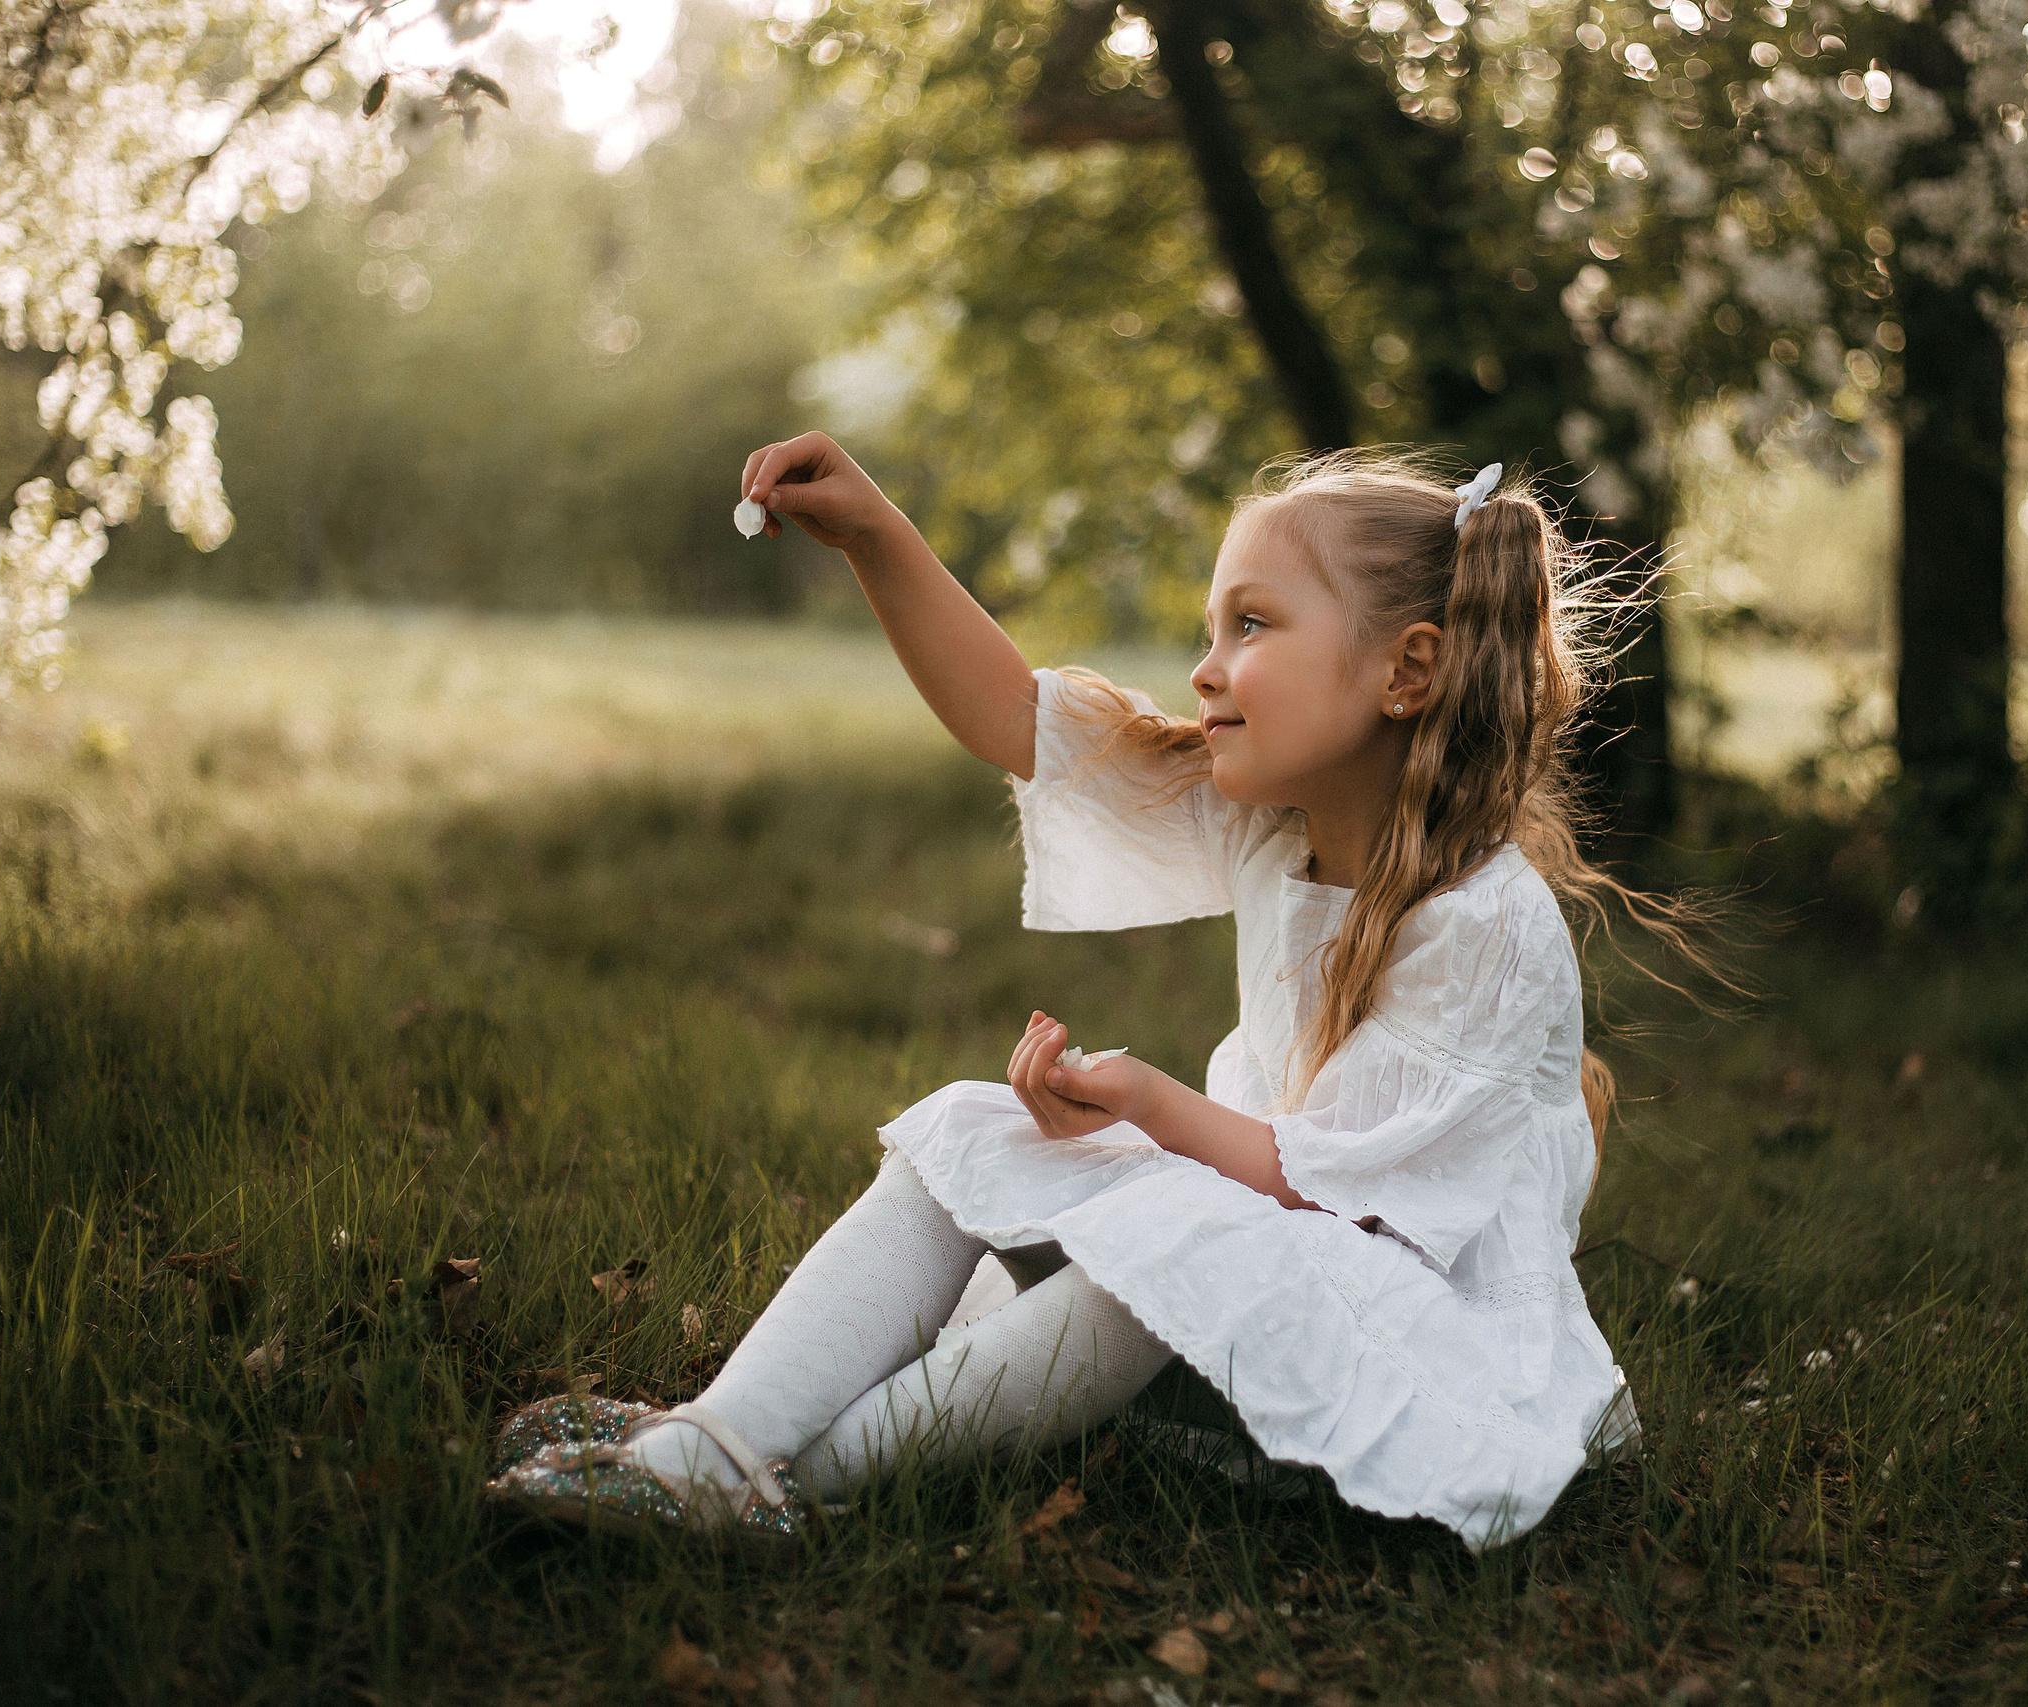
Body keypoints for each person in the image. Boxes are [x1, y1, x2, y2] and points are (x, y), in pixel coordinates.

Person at [486, 432, 1687, 1555]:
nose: (1206, 668)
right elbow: (1021, 719)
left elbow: (1341, 1197)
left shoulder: (1486, 926)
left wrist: (1147, 1105)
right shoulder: (1275, 825)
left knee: (1176, 1231)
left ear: (1406, 670)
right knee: (971, 1126)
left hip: (1403, 1348)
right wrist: (876, 537)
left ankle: (781, 1484)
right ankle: (721, 1437)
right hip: (1256, 1273)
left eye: (1252, 624)